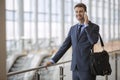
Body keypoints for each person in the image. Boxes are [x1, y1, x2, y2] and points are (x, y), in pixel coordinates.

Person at [45, 3, 99, 80]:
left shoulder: (94, 27)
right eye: (76, 12)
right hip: (75, 68)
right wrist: (53, 60)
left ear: (85, 13)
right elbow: (64, 46)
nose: (78, 14)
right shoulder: (73, 29)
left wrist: (86, 25)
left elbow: (93, 41)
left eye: (81, 11)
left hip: (87, 68)